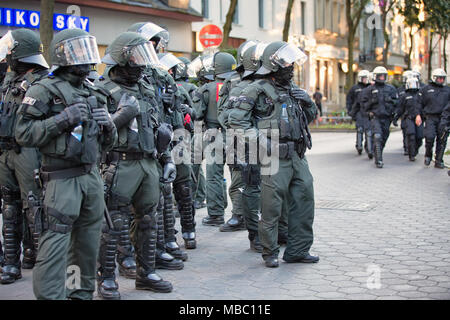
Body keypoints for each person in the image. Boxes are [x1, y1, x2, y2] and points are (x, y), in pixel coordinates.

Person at [15, 28, 117, 300]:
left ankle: (79, 293)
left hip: (91, 176)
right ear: (62, 55)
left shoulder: (94, 90)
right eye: (78, 51)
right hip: (61, 178)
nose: (85, 58)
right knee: (55, 244)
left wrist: (109, 126)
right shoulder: (43, 89)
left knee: (86, 244)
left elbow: (105, 144)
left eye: (87, 50)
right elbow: (22, 133)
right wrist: (62, 119)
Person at [95, 31, 176, 300]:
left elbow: (154, 126)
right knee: (113, 223)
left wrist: (167, 158)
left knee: (149, 220)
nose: (141, 65)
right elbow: (94, 133)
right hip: (119, 164)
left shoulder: (146, 88)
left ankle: (146, 273)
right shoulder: (101, 89)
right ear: (121, 59)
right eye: (137, 59)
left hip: (148, 162)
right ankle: (107, 278)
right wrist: (119, 117)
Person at [229, 41, 319, 268]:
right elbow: (236, 121)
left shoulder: (292, 89)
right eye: (286, 62)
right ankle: (269, 251)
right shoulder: (255, 89)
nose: (291, 67)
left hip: (298, 155)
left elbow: (306, 118)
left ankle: (298, 251)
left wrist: (307, 101)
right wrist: (261, 141)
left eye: (291, 62)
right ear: (273, 64)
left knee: (304, 201)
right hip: (273, 157)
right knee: (271, 207)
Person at [0, 29, 49, 284]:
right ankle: (11, 262)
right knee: (10, 206)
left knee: (34, 206)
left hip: (29, 152)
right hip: (7, 151)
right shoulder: (8, 80)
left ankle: (41, 260)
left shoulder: (42, 81)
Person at [194, 52, 236, 227]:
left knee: (214, 176)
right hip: (236, 135)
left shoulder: (206, 89)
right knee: (239, 176)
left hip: (213, 135)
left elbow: (196, 114)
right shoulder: (241, 85)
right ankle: (240, 215)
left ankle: (216, 214)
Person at [361, 66, 398, 168]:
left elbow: (397, 103)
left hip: (387, 118)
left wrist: (391, 102)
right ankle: (379, 160)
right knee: (377, 136)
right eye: (380, 76)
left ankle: (378, 152)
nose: (382, 78)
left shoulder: (391, 89)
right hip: (375, 117)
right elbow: (363, 104)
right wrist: (369, 108)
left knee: (384, 137)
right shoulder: (370, 89)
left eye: (383, 76)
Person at [418, 68, 450, 168]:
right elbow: (420, 103)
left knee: (442, 139)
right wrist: (418, 115)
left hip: (444, 118)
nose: (441, 80)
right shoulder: (426, 89)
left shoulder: (447, 90)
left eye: (442, 78)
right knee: (429, 137)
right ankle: (428, 155)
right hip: (430, 117)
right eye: (439, 78)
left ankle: (439, 160)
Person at [393, 77, 423, 161]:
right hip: (408, 118)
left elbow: (425, 106)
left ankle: (415, 150)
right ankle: (411, 153)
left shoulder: (421, 95)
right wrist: (395, 118)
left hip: (419, 118)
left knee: (420, 136)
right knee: (411, 135)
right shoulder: (405, 96)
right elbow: (400, 108)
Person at [347, 70, 371, 156]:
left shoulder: (371, 87)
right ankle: (359, 145)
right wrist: (350, 111)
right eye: (363, 78)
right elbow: (349, 99)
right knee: (360, 129)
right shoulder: (355, 88)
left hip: (368, 111)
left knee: (369, 130)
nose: (365, 80)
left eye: (366, 78)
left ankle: (369, 147)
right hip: (358, 111)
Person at [398, 70, 413, 155]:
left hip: (412, 114)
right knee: (405, 131)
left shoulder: (416, 90)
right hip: (403, 114)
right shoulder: (400, 89)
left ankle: (411, 147)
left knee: (412, 132)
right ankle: (406, 147)